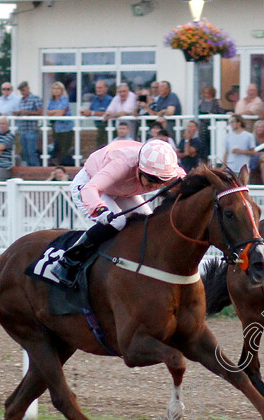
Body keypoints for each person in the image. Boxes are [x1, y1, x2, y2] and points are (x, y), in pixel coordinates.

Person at [51, 139, 186, 285]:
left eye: (160, 180)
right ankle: (68, 261)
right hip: (89, 185)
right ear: (139, 168)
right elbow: (90, 189)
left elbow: (190, 185)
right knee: (117, 221)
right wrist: (99, 208)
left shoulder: (169, 171)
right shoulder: (122, 165)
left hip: (123, 188)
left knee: (148, 223)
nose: (154, 184)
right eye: (151, 178)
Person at [12, 81, 44, 167]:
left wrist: (26, 112)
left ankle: (36, 170)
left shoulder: (35, 99)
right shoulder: (21, 101)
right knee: (24, 152)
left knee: (31, 152)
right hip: (22, 129)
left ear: (28, 88)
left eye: (24, 90)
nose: (23, 92)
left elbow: (40, 112)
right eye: (21, 91)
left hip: (31, 129)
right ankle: (28, 168)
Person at [222, 114, 256, 183]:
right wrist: (223, 166)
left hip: (243, 169)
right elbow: (226, 152)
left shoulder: (249, 136)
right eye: (230, 122)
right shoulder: (228, 136)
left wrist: (241, 151)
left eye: (232, 122)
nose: (231, 124)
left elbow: (253, 153)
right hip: (230, 168)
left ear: (239, 123)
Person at [47, 81, 72, 165]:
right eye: (54, 88)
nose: (56, 90)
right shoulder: (51, 100)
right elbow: (48, 112)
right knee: (56, 148)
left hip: (66, 127)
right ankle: (57, 165)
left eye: (58, 89)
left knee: (64, 149)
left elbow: (61, 112)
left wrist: (54, 112)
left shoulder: (64, 99)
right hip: (56, 127)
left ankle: (63, 165)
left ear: (62, 90)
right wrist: (56, 112)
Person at [82, 80, 113, 148]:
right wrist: (85, 112)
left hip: (107, 127)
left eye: (100, 88)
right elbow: (91, 110)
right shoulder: (95, 99)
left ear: (106, 89)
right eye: (97, 88)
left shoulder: (109, 100)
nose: (98, 90)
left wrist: (92, 113)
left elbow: (108, 113)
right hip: (98, 128)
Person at [250, 119, 264, 184]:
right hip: (253, 156)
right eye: (258, 127)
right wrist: (260, 154)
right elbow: (250, 151)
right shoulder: (252, 138)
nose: (259, 129)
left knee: (263, 163)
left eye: (261, 127)